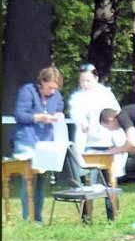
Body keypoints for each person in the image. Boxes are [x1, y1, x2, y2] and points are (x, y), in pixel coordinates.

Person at [11, 66, 65, 222]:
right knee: (29, 177)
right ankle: (27, 217)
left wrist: (59, 115)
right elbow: (19, 115)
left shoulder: (57, 96)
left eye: (55, 88)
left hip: (45, 142)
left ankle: (38, 218)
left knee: (42, 178)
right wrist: (39, 117)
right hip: (26, 140)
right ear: (42, 81)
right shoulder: (27, 91)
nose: (52, 91)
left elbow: (59, 110)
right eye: (50, 87)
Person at [68, 63, 121, 154]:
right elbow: (74, 113)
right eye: (82, 80)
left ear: (96, 78)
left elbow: (116, 112)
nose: (85, 84)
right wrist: (81, 121)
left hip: (108, 139)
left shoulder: (106, 93)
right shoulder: (76, 96)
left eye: (88, 80)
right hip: (87, 141)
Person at [100, 104, 135, 181]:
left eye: (107, 127)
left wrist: (112, 151)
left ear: (110, 119)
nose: (110, 130)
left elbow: (132, 142)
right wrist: (124, 149)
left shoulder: (122, 115)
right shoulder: (134, 117)